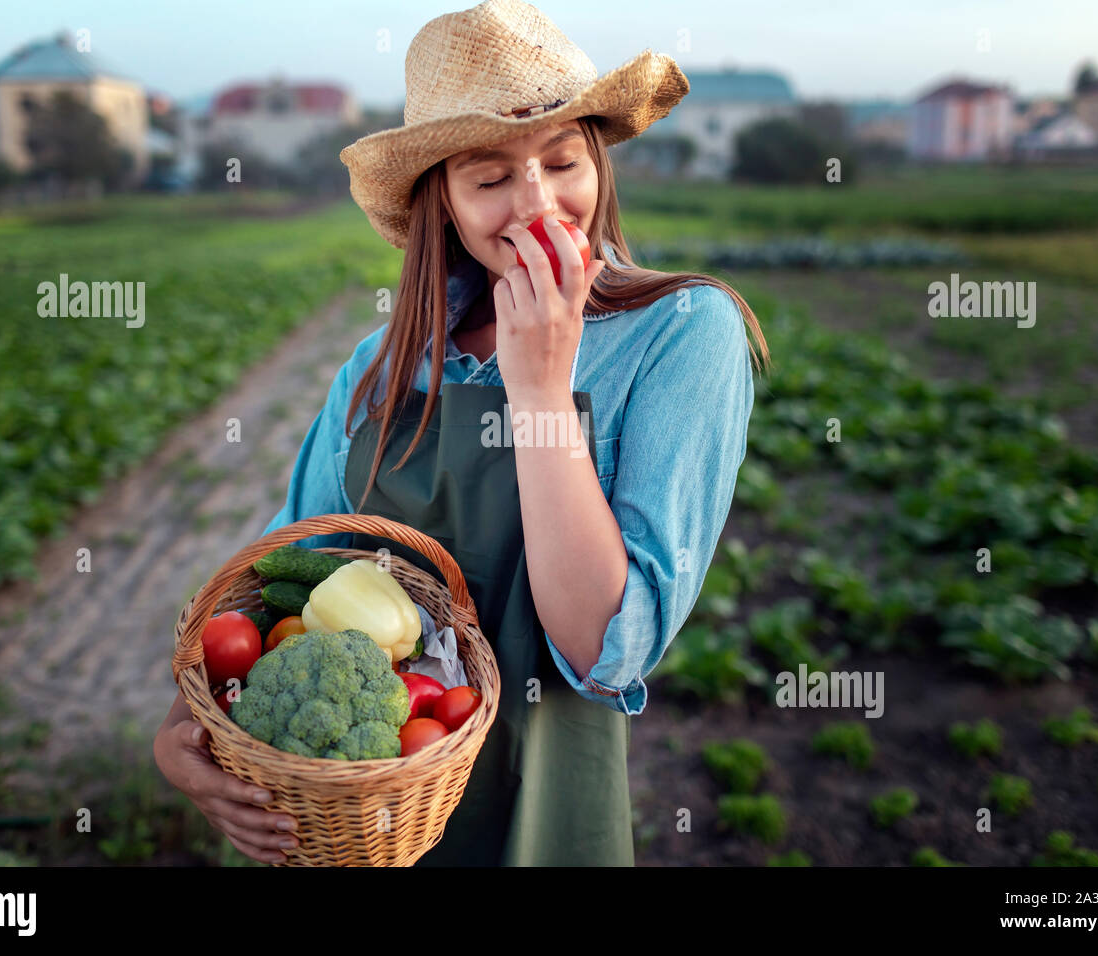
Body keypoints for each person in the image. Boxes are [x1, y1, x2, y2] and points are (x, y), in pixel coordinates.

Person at [154, 0, 771, 866]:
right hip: (356, 801)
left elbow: (605, 651)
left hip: (541, 809)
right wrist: (186, 733)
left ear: (598, 160)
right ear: (440, 200)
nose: (538, 206)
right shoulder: (380, 363)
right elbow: (281, 578)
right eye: (489, 179)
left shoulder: (682, 335)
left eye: (563, 162)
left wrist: (541, 386)